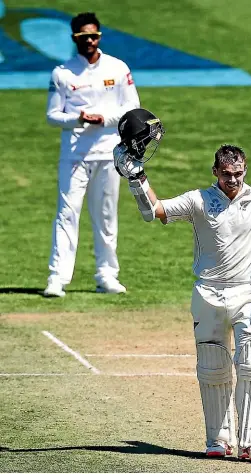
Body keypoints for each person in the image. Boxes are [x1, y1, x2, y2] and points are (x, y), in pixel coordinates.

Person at [113, 108, 251, 462]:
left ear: (245, 171)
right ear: (215, 171)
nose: (233, 180)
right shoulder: (199, 200)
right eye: (227, 174)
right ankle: (217, 440)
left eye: (239, 173)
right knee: (212, 369)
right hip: (208, 293)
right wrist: (136, 176)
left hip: (250, 292)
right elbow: (153, 211)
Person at [43, 12, 140, 297]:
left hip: (109, 152)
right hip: (74, 155)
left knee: (106, 215)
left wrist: (104, 119)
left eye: (94, 36)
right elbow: (51, 116)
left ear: (99, 36)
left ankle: (107, 275)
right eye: (83, 37)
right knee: (66, 214)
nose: (89, 41)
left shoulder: (118, 68)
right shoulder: (63, 72)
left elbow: (132, 109)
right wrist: (78, 119)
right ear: (74, 38)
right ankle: (57, 278)